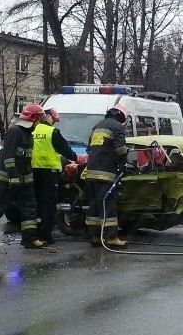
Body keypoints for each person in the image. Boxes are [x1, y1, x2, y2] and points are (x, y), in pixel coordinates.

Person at [0, 103, 47, 250]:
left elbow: (26, 161)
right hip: (6, 181)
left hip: (24, 180)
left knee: (29, 210)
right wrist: (13, 177)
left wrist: (28, 179)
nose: (40, 122)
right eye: (39, 118)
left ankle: (30, 239)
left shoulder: (29, 135)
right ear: (33, 118)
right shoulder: (15, 132)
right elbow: (8, 157)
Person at [31, 106, 83, 244]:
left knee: (36, 203)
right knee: (49, 205)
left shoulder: (32, 130)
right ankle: (45, 236)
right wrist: (76, 158)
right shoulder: (52, 131)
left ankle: (33, 234)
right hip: (49, 172)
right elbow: (65, 150)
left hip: (32, 171)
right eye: (54, 119)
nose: (54, 122)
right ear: (48, 117)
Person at [85, 104, 129, 248]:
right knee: (108, 203)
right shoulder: (117, 127)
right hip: (106, 173)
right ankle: (111, 237)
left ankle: (95, 236)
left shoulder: (96, 127)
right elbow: (121, 150)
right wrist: (123, 165)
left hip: (91, 172)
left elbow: (89, 149)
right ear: (121, 116)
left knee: (94, 205)